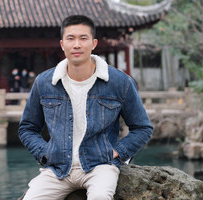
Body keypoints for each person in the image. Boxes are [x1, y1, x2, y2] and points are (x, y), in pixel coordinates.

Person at [18, 15, 153, 200]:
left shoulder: (120, 82)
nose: (77, 45)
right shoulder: (44, 82)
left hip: (100, 165)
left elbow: (143, 128)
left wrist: (118, 152)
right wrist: (44, 152)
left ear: (94, 43)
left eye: (83, 38)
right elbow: (27, 128)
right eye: (70, 38)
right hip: (58, 168)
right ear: (62, 44)